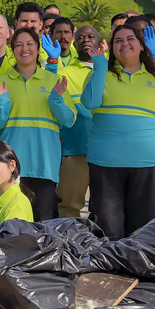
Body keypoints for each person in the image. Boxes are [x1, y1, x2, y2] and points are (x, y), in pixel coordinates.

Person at [82, 24, 155, 239]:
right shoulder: (100, 73)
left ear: (142, 46)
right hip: (105, 164)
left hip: (148, 164)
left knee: (142, 231)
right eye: (118, 40)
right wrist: (99, 66)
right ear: (112, 48)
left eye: (130, 39)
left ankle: (137, 272)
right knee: (108, 230)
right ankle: (111, 273)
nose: (124, 43)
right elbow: (90, 102)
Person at [0, 28, 75, 221]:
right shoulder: (1, 81)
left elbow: (68, 120)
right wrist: (2, 100)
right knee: (11, 223)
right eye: (18, 45)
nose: (24, 49)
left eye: (29, 44)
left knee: (42, 224)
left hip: (45, 165)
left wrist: (56, 100)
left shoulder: (54, 80)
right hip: (11, 167)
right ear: (12, 50)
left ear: (38, 49)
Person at [55, 23, 98, 219]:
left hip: (107, 151)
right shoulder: (65, 73)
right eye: (80, 37)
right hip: (75, 149)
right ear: (74, 41)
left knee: (104, 208)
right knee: (69, 207)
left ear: (99, 42)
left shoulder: (110, 71)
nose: (86, 40)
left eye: (90, 37)